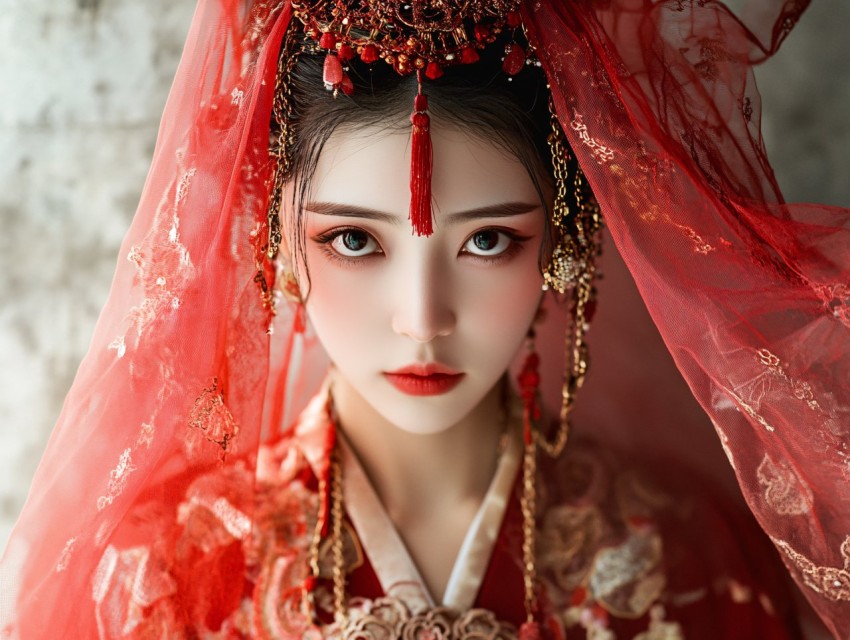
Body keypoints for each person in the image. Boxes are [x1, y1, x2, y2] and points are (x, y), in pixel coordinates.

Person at [1, 0, 847, 638]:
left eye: (486, 239)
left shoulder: (686, 559)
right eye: (353, 241)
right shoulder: (167, 577)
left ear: (564, 235)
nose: (421, 318)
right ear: (275, 233)